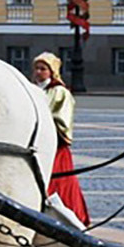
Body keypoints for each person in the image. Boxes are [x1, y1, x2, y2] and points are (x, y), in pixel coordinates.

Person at [33, 52, 90, 226]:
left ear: (52, 72)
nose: (38, 72)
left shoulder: (59, 92)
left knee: (59, 183)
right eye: (36, 68)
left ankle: (70, 218)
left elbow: (61, 120)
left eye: (43, 69)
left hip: (55, 147)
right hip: (36, 145)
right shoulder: (33, 89)